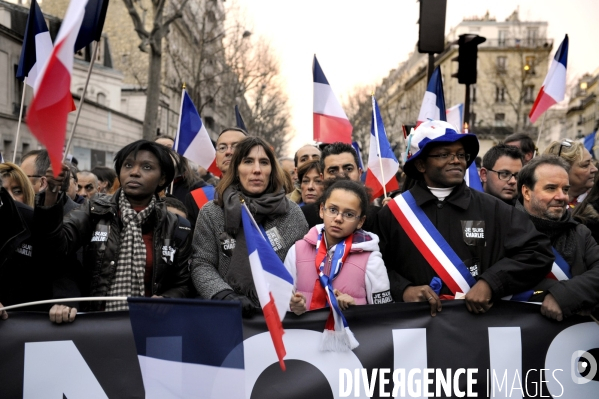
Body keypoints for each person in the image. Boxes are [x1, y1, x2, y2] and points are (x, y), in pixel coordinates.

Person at [374, 120, 553, 316]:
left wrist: (491, 282)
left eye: (460, 154)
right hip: (414, 328)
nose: (456, 160)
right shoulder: (393, 213)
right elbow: (374, 265)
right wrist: (403, 289)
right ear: (420, 164)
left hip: (476, 328)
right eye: (444, 154)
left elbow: (538, 252)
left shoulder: (493, 208)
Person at [34, 140, 192, 322]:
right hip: (98, 326)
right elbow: (53, 248)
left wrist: (168, 299)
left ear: (163, 178)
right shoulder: (93, 211)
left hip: (151, 326)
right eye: (128, 165)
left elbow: (183, 283)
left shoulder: (177, 227)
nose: (134, 172)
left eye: (147, 167)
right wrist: (51, 194)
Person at [190, 136, 308, 316]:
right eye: (248, 161)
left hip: (281, 319)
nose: (257, 170)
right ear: (236, 169)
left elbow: (303, 266)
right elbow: (201, 263)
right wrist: (225, 295)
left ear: (272, 169)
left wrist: (298, 300)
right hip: (226, 316)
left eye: (264, 162)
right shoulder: (213, 212)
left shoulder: (292, 213)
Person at [285, 179, 392, 316]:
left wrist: (356, 309)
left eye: (349, 214)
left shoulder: (371, 259)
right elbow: (280, 303)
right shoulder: (297, 251)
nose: (338, 218)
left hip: (351, 335)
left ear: (360, 221)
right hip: (306, 335)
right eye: (333, 210)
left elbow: (385, 314)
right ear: (322, 210)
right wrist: (293, 306)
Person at [517, 155, 599, 321]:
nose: (562, 197)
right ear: (526, 192)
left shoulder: (580, 233)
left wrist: (562, 295)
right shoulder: (504, 228)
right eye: (551, 188)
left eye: (565, 189)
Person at [301, 142, 379, 231]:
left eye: (348, 169)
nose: (341, 175)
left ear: (359, 173)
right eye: (333, 171)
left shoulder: (379, 217)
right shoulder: (304, 216)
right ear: (322, 177)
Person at [184, 127, 248, 229]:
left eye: (236, 147)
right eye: (222, 148)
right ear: (216, 160)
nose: (228, 152)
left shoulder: (268, 196)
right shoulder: (196, 198)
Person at [543, 139, 598, 207]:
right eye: (585, 165)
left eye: (592, 161)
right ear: (563, 171)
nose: (595, 169)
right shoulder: (542, 206)